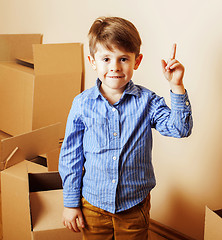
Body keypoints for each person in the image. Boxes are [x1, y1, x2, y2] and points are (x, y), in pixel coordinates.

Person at [59, 16, 193, 240]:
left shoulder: (147, 101)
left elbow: (180, 129)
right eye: (106, 59)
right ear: (93, 61)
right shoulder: (82, 104)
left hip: (134, 206)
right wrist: (70, 203)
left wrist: (176, 84)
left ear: (136, 61)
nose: (114, 67)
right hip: (93, 205)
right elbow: (71, 155)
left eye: (123, 59)